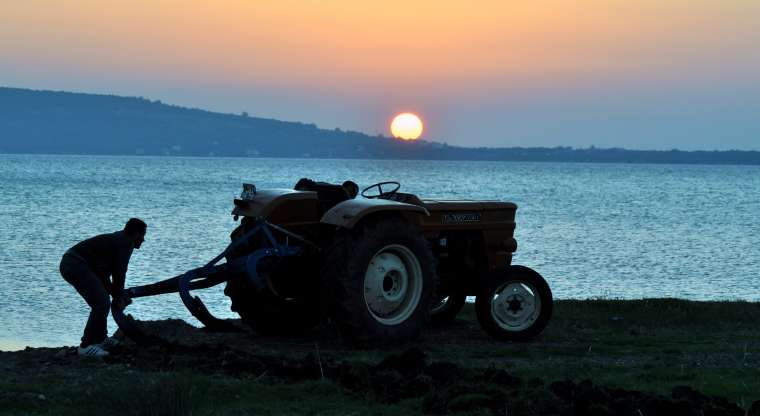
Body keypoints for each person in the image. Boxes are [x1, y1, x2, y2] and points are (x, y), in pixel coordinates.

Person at [59, 218, 146, 357]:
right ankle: (85, 346)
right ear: (135, 234)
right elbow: (119, 274)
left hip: (81, 265)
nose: (143, 240)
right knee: (101, 303)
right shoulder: (124, 243)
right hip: (75, 263)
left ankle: (100, 339)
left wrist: (116, 295)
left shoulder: (122, 240)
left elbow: (104, 275)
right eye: (143, 235)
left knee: (103, 300)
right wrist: (118, 297)